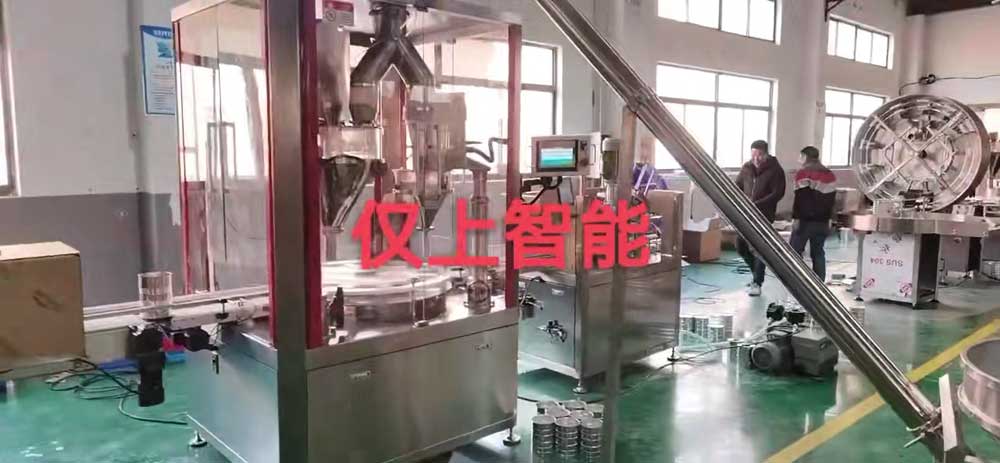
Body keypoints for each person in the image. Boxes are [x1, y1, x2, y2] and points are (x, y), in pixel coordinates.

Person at [734, 140, 786, 296]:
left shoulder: (775, 170)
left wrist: (757, 204)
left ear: (767, 154)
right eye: (753, 155)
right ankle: (755, 275)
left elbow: (777, 193)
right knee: (740, 246)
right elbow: (737, 186)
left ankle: (757, 282)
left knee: (759, 249)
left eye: (760, 155)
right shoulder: (747, 168)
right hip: (746, 214)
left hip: (764, 215)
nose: (756, 158)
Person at [790, 146, 836, 282]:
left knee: (794, 252)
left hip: (805, 221)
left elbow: (801, 198)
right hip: (822, 221)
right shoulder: (829, 174)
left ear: (805, 157)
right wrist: (830, 219)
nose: (799, 159)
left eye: (800, 156)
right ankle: (819, 283)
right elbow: (832, 200)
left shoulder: (803, 174)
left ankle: (799, 281)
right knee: (818, 252)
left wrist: (796, 218)